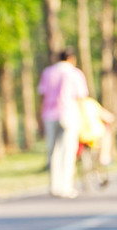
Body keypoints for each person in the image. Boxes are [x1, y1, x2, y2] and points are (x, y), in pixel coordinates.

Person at [38, 47, 89, 198]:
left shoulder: (48, 72)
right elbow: (81, 97)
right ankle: (66, 187)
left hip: (49, 115)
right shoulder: (75, 73)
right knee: (68, 151)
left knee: (53, 151)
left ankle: (54, 186)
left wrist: (40, 117)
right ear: (71, 58)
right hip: (69, 114)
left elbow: (42, 95)